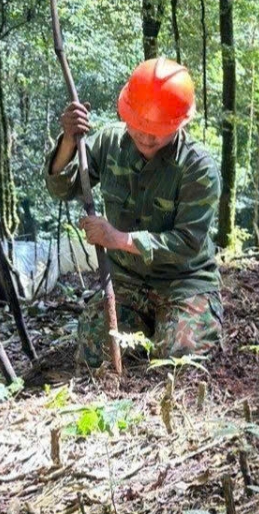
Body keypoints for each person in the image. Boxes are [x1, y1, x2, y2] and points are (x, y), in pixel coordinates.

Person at [45, 57, 222, 367]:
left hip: (183, 282)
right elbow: (63, 188)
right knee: (95, 349)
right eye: (139, 126)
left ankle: (172, 329)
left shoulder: (198, 168)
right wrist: (69, 143)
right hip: (126, 282)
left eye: (158, 130)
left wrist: (121, 239)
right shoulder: (110, 143)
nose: (146, 136)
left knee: (179, 358)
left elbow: (187, 244)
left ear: (180, 124)